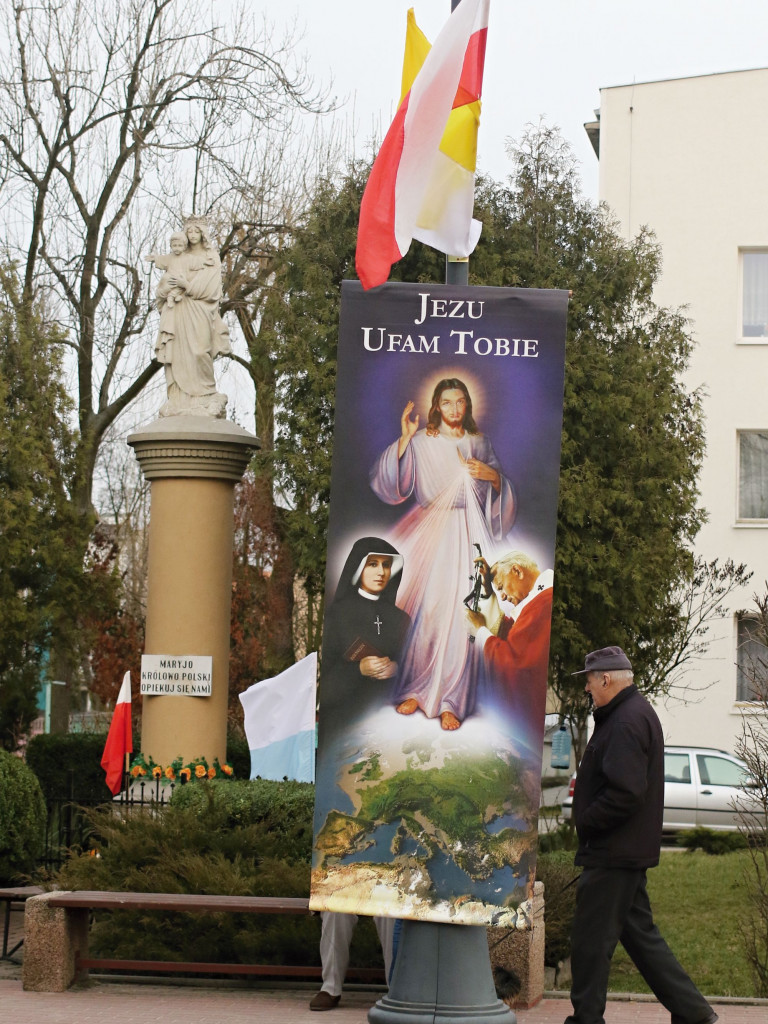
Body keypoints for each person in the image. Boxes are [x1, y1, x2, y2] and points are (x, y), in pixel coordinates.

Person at [564, 646, 718, 1024]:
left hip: (613, 853)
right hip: (621, 852)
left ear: (605, 679)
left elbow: (627, 792)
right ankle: (694, 1014)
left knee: (589, 944)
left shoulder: (626, 721)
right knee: (643, 941)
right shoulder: (627, 714)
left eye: (588, 680)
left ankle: (585, 1020)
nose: (587, 688)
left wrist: (586, 819)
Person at [370, 377, 516, 730]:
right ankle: (418, 689)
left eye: (460, 401)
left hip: (470, 533)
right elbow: (392, 485)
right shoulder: (422, 441)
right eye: (447, 402)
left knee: (463, 613)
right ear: (436, 406)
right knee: (432, 610)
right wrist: (405, 438)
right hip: (433, 532)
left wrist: (493, 478)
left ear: (468, 405)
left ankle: (452, 699)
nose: (454, 409)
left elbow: (501, 492)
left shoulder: (479, 443)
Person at [318, 537, 411, 726]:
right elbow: (326, 684)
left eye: (386, 565)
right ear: (359, 567)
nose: (381, 572)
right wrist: (359, 669)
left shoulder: (402, 619)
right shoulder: (337, 614)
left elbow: (418, 670)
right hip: (347, 719)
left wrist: (397, 669)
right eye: (373, 564)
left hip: (390, 719)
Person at [465, 550, 553, 742]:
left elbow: (515, 664)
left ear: (517, 571)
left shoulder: (544, 603)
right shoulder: (536, 602)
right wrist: (488, 589)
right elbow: (513, 635)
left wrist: (480, 629)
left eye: (501, 587)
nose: (503, 597)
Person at [150, 218, 231, 418]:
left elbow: (212, 288)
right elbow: (164, 281)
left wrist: (187, 285)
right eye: (190, 232)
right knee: (178, 354)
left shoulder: (210, 257)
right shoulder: (178, 256)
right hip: (179, 310)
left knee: (199, 351)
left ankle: (207, 394)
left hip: (200, 309)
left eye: (196, 232)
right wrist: (166, 287)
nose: (193, 235)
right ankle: (180, 398)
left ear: (203, 233)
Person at [310, 913, 396, 1011]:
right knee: (334, 910)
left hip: (384, 898)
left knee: (390, 912)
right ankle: (330, 988)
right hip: (346, 897)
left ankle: (396, 990)